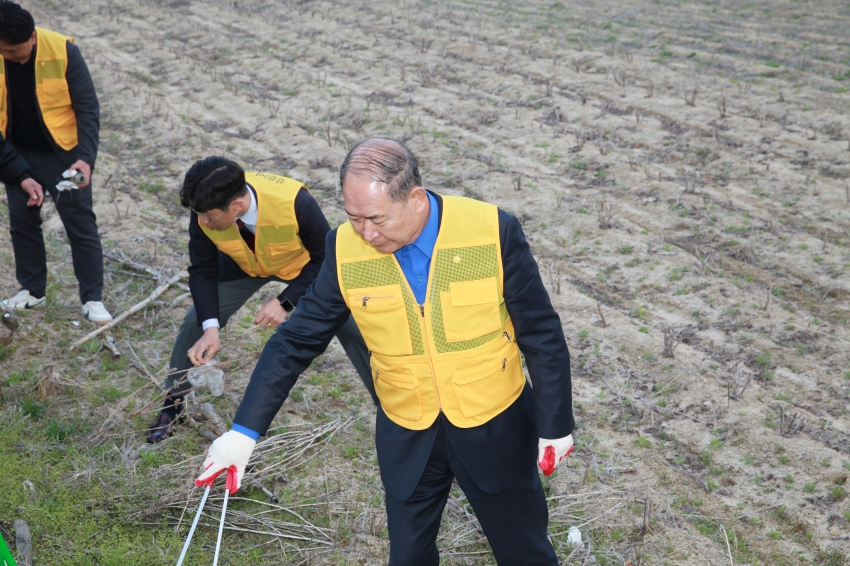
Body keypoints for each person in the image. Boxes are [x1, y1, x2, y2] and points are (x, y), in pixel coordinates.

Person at [195, 139, 575, 565]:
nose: (367, 234)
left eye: (376, 219)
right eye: (354, 218)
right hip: (407, 430)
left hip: (495, 426)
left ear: (414, 199)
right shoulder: (344, 248)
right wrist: (243, 434)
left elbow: (541, 331)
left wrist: (555, 424)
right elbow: (295, 341)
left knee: (525, 553)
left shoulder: (491, 230)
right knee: (408, 557)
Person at [147, 157, 377, 443]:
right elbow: (203, 270)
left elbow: (326, 258)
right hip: (243, 267)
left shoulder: (296, 203)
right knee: (196, 321)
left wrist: (285, 301)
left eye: (207, 216)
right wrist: (211, 329)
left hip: (304, 271)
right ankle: (173, 403)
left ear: (236, 206)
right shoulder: (204, 209)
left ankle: (390, 407)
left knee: (355, 328)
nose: (202, 221)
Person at [0, 1, 110, 323]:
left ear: (32, 38)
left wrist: (85, 159)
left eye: (11, 51)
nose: (6, 57)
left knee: (80, 224)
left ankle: (92, 299)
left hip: (63, 152)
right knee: (22, 222)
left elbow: (87, 108)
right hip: (15, 151)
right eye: (2, 51)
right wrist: (18, 172)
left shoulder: (63, 51)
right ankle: (32, 290)